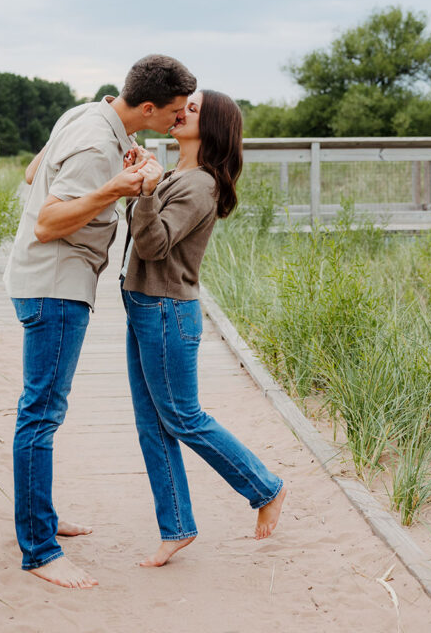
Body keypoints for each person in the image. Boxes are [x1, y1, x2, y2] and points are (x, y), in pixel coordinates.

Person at [4, 54, 197, 590]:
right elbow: (47, 223)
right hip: (55, 286)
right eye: (175, 111)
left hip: (39, 281)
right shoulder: (95, 143)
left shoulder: (87, 115)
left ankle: (38, 517)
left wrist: (113, 174)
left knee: (40, 411)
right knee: (41, 415)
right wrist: (116, 188)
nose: (178, 120)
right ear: (149, 107)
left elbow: (33, 173)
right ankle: (40, 551)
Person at [121, 89, 286, 568]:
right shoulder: (178, 174)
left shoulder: (200, 185)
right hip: (144, 305)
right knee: (152, 424)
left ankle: (265, 488)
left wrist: (148, 192)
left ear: (210, 127)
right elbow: (142, 229)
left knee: (182, 417)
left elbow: (152, 246)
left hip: (167, 311)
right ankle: (176, 527)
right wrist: (143, 180)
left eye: (190, 110)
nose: (179, 113)